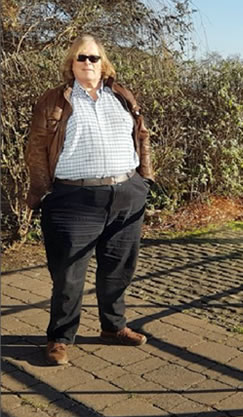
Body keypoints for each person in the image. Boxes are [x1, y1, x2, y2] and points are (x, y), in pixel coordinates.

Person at [25, 34, 154, 365]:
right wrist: (43, 191)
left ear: (103, 63)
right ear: (71, 63)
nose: (87, 63)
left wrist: (146, 179)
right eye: (80, 57)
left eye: (93, 58)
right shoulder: (55, 100)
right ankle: (59, 337)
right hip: (73, 198)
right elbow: (37, 148)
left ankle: (113, 327)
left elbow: (141, 135)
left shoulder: (121, 95)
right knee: (68, 273)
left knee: (119, 268)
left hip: (126, 193)